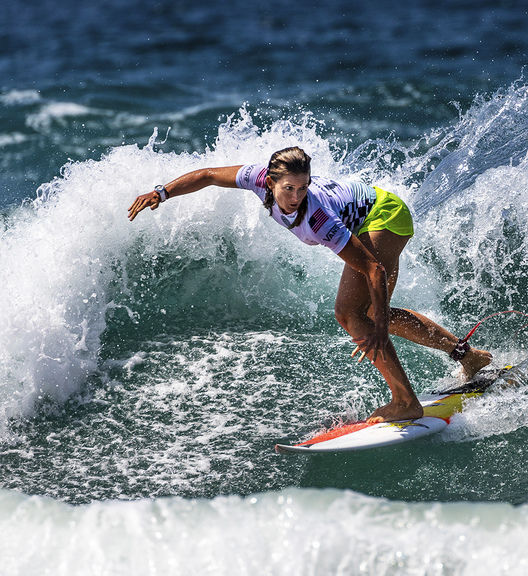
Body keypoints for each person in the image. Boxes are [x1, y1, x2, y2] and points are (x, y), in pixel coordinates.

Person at [128, 146, 492, 423]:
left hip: (385, 215)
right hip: (374, 212)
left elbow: (374, 270)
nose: (297, 196)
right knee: (366, 315)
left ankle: (405, 403)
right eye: (289, 188)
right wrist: (161, 193)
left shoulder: (318, 217)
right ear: (269, 182)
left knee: (352, 315)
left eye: (303, 187)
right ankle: (469, 357)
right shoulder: (256, 177)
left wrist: (379, 327)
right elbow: (207, 175)